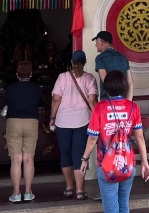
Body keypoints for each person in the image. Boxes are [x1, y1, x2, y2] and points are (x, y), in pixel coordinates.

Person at [81, 70, 149, 213]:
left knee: (111, 209)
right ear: (124, 87)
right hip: (127, 164)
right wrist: (145, 162)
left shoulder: (100, 108)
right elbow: (140, 137)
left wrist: (84, 159)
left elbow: (93, 139)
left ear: (106, 88)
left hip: (106, 166)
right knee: (124, 206)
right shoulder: (133, 107)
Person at [50, 50, 98, 200]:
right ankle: (79, 191)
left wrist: (52, 117)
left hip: (63, 121)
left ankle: (69, 188)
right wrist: (97, 118)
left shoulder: (62, 77)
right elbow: (92, 100)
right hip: (82, 121)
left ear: (71, 62)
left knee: (65, 153)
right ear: (85, 62)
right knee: (79, 154)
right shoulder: (89, 78)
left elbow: (56, 99)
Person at [2, 60, 43, 203]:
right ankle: (28, 192)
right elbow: (41, 103)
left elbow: (4, 104)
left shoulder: (11, 89)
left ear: (17, 74)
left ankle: (16, 193)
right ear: (30, 74)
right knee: (28, 158)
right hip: (31, 122)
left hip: (14, 122)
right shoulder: (36, 88)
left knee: (16, 159)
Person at [93, 30, 133, 101]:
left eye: (96, 42)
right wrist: (128, 102)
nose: (95, 45)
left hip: (107, 101)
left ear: (101, 42)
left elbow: (106, 81)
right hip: (123, 100)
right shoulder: (123, 57)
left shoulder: (100, 58)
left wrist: (112, 102)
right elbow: (130, 83)